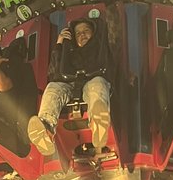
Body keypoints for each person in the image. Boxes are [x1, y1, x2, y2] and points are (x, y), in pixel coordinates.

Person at [28, 14, 114, 159]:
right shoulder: (68, 52)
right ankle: (46, 129)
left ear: (93, 33)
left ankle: (98, 123)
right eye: (78, 33)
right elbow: (52, 72)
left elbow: (113, 27)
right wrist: (60, 43)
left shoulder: (103, 46)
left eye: (86, 31)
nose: (82, 35)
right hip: (68, 85)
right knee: (52, 87)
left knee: (96, 85)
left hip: (94, 81)